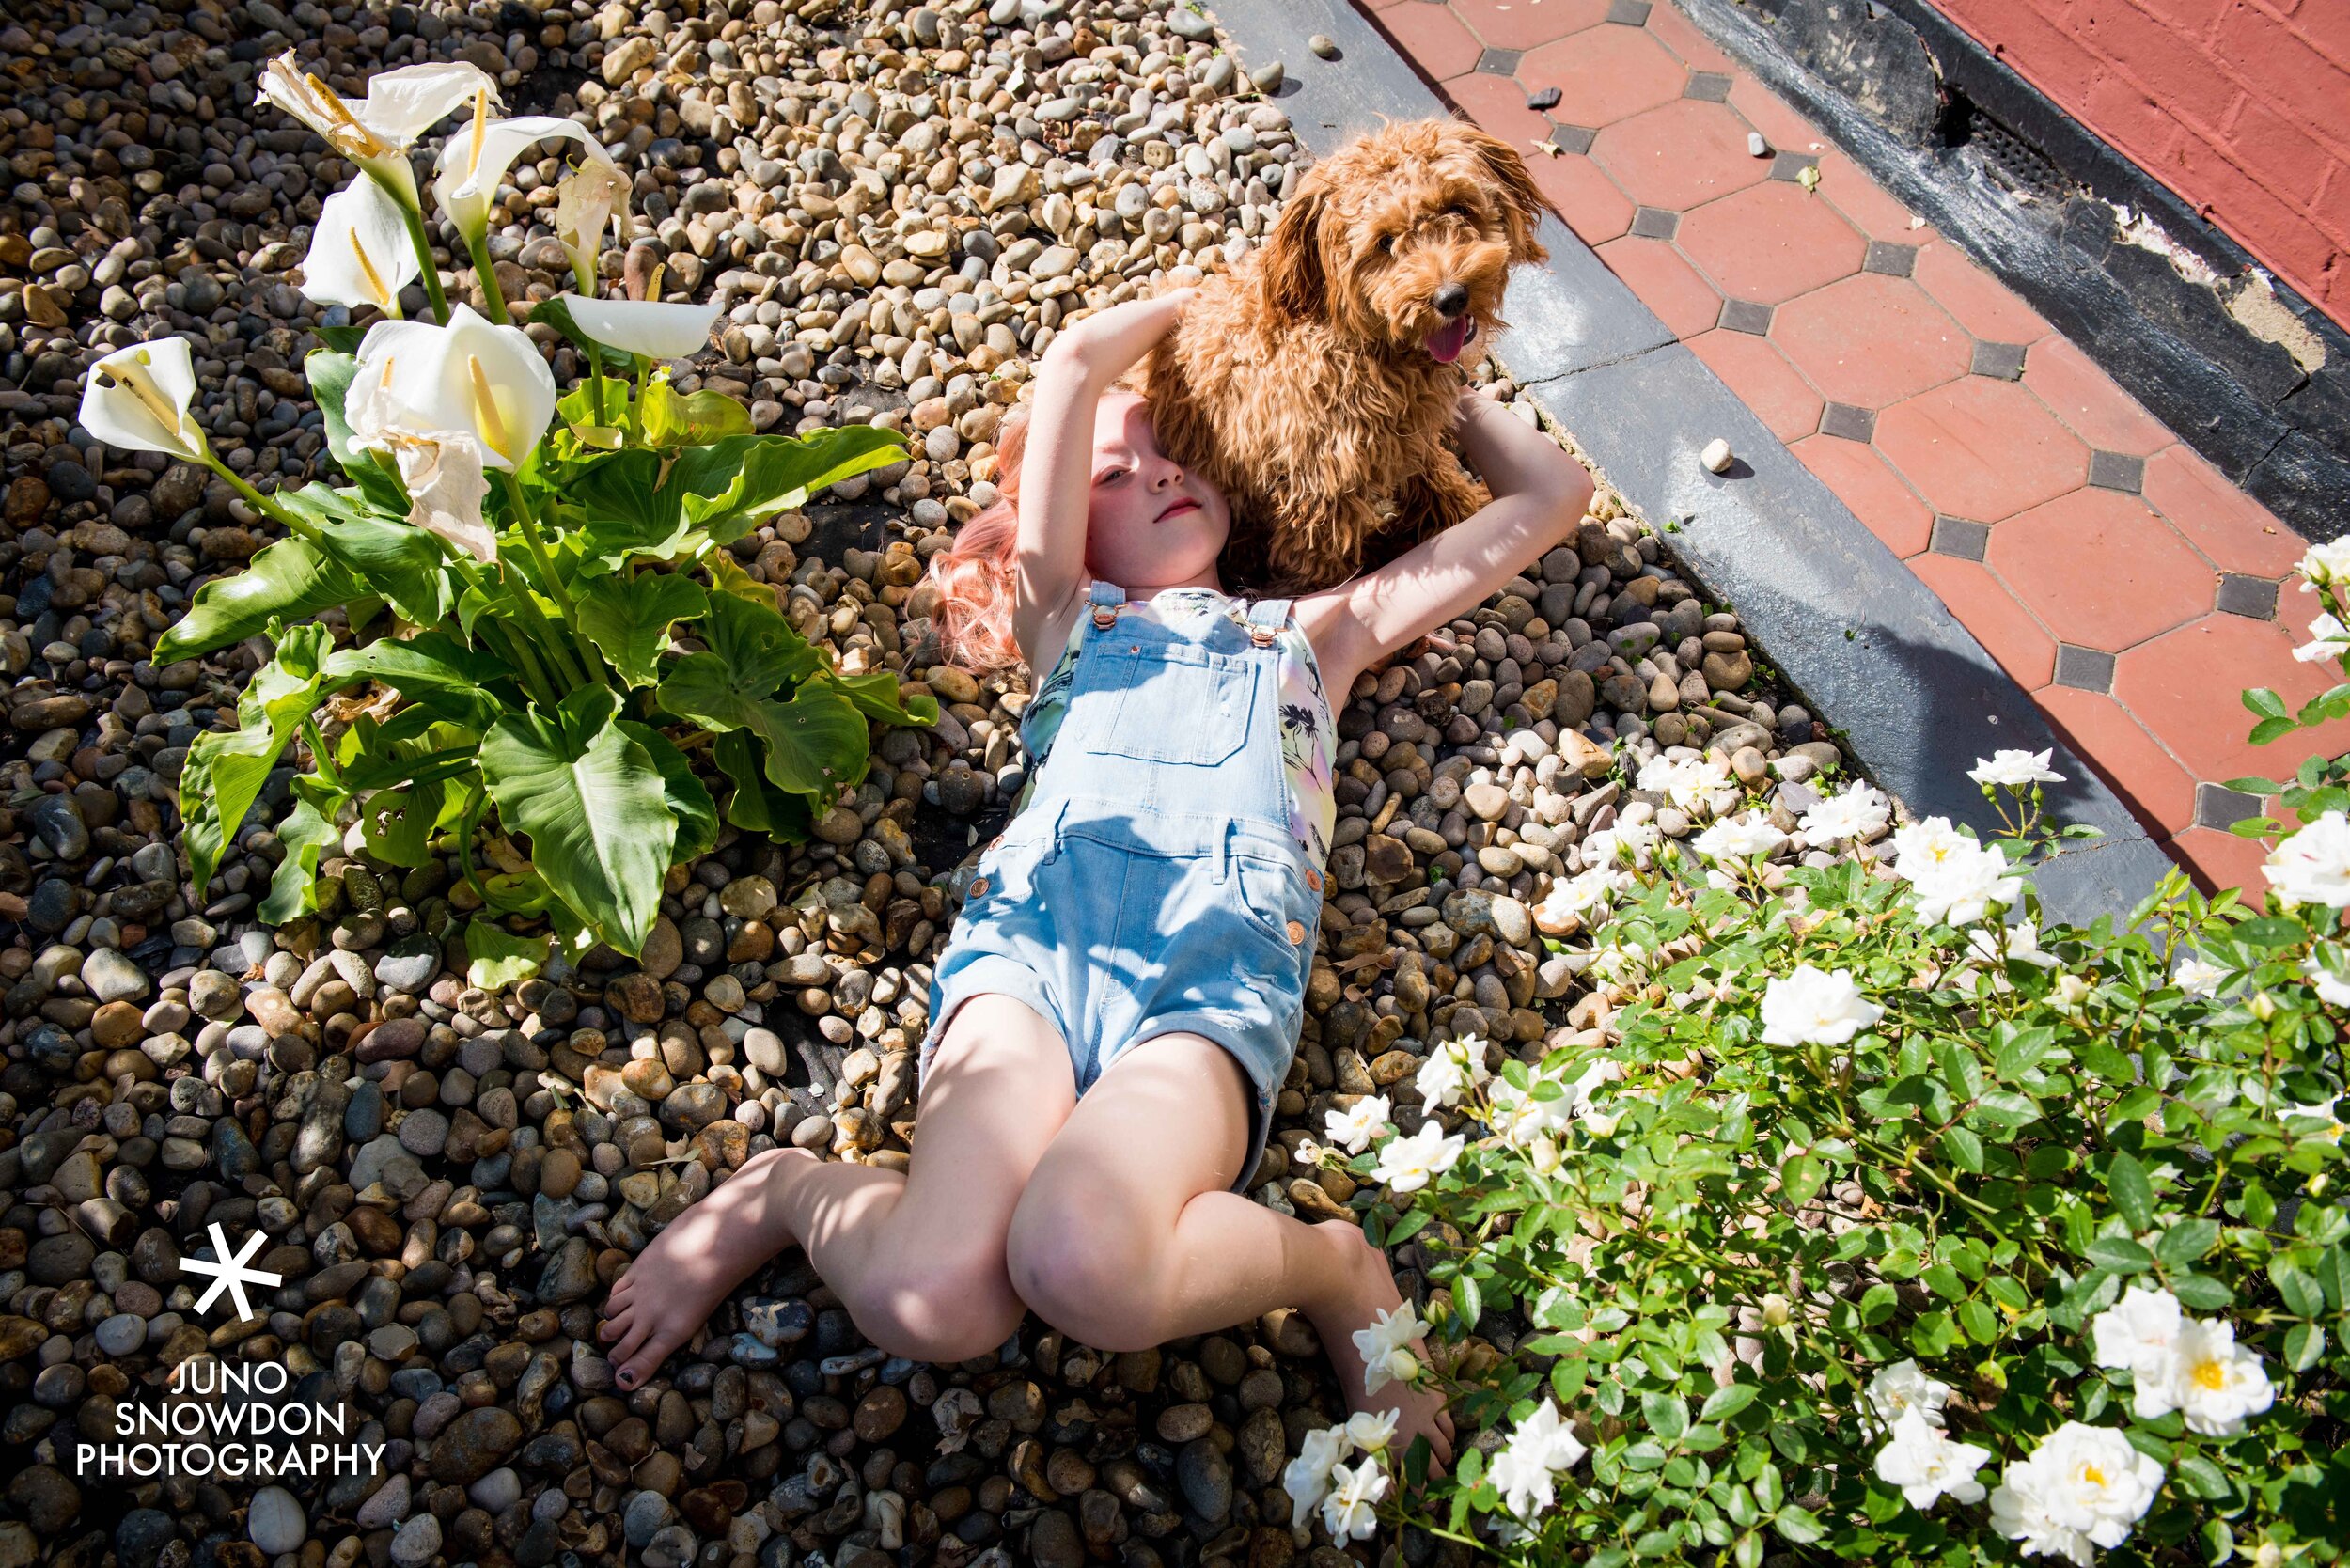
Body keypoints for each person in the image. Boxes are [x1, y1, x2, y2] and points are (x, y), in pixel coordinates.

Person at [600, 289, 1593, 1468]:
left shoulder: (1316, 636)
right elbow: (1074, 363)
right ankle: (788, 1193)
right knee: (933, 1304)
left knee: (1083, 1268)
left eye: (1171, 449)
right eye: (1109, 478)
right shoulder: (1066, 620)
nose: (1153, 474)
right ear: (1059, 528)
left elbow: (1552, 497)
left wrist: (1432, 368)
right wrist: (1242, 299)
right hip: (1025, 966)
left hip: (1203, 997)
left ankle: (1332, 1267)